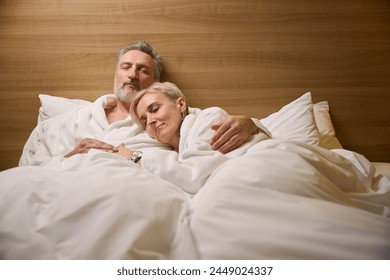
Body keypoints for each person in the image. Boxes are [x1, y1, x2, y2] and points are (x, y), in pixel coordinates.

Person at [19, 40, 263, 168]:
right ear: (115, 74)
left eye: (142, 69)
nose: (133, 75)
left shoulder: (168, 119)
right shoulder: (71, 120)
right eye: (126, 67)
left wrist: (251, 124)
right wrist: (71, 156)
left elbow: (206, 129)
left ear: (155, 81)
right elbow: (31, 167)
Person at [117, 82, 269, 194]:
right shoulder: (177, 151)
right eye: (144, 121)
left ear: (181, 104)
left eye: (155, 109)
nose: (150, 120)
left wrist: (135, 157)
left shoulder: (209, 118)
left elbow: (194, 176)